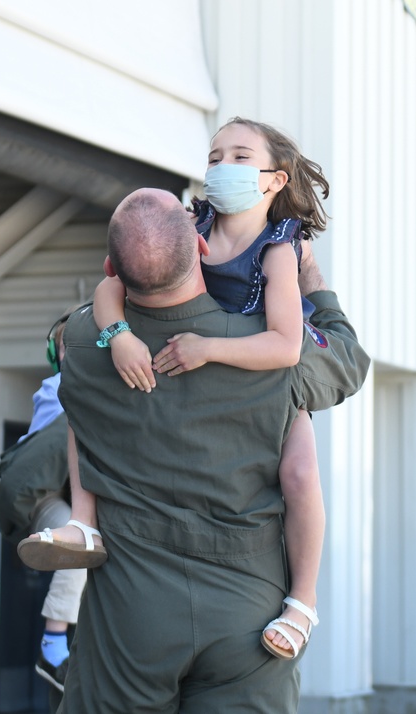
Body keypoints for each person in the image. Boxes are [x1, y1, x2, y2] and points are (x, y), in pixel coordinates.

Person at [40, 188, 368, 712]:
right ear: (202, 247)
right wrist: (306, 276)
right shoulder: (267, 351)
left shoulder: (82, 341)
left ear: (110, 265)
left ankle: (80, 521)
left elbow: (94, 317)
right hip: (251, 614)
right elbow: (348, 362)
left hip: (131, 606)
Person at [23, 117, 331, 660]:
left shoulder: (279, 249)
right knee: (84, 408)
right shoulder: (194, 223)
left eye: (239, 157)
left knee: (301, 473)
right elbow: (109, 283)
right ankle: (84, 523)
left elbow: (285, 345)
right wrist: (117, 334)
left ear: (275, 181)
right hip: (182, 376)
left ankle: (302, 599)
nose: (222, 167)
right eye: (214, 157)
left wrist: (207, 348)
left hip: (265, 382)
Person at [0, 313, 86, 693]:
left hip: (73, 494)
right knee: (76, 544)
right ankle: (52, 643)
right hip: (44, 495)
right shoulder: (55, 387)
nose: (71, 354)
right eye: (66, 346)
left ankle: (62, 645)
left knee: (86, 552)